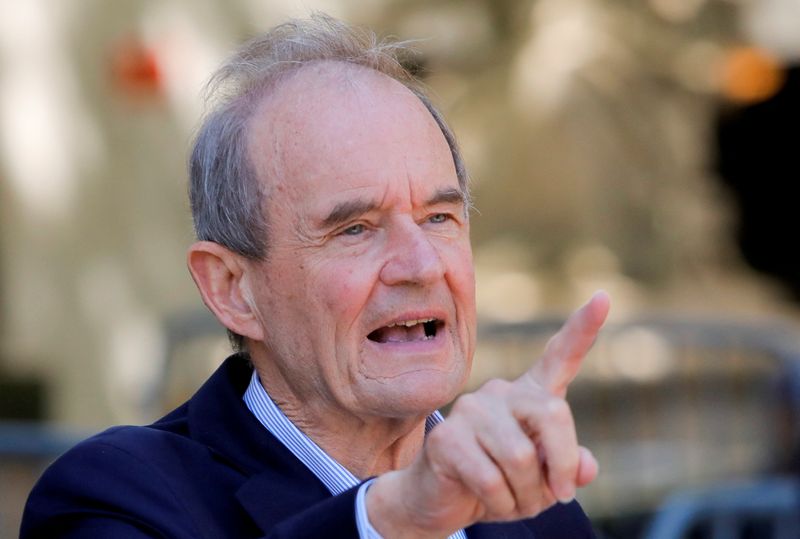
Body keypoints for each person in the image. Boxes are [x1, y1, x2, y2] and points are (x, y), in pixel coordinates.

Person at [21, 14, 610, 539]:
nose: (422, 265)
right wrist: (391, 519)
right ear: (233, 289)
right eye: (354, 228)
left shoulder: (536, 513)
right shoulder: (118, 497)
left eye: (439, 217)